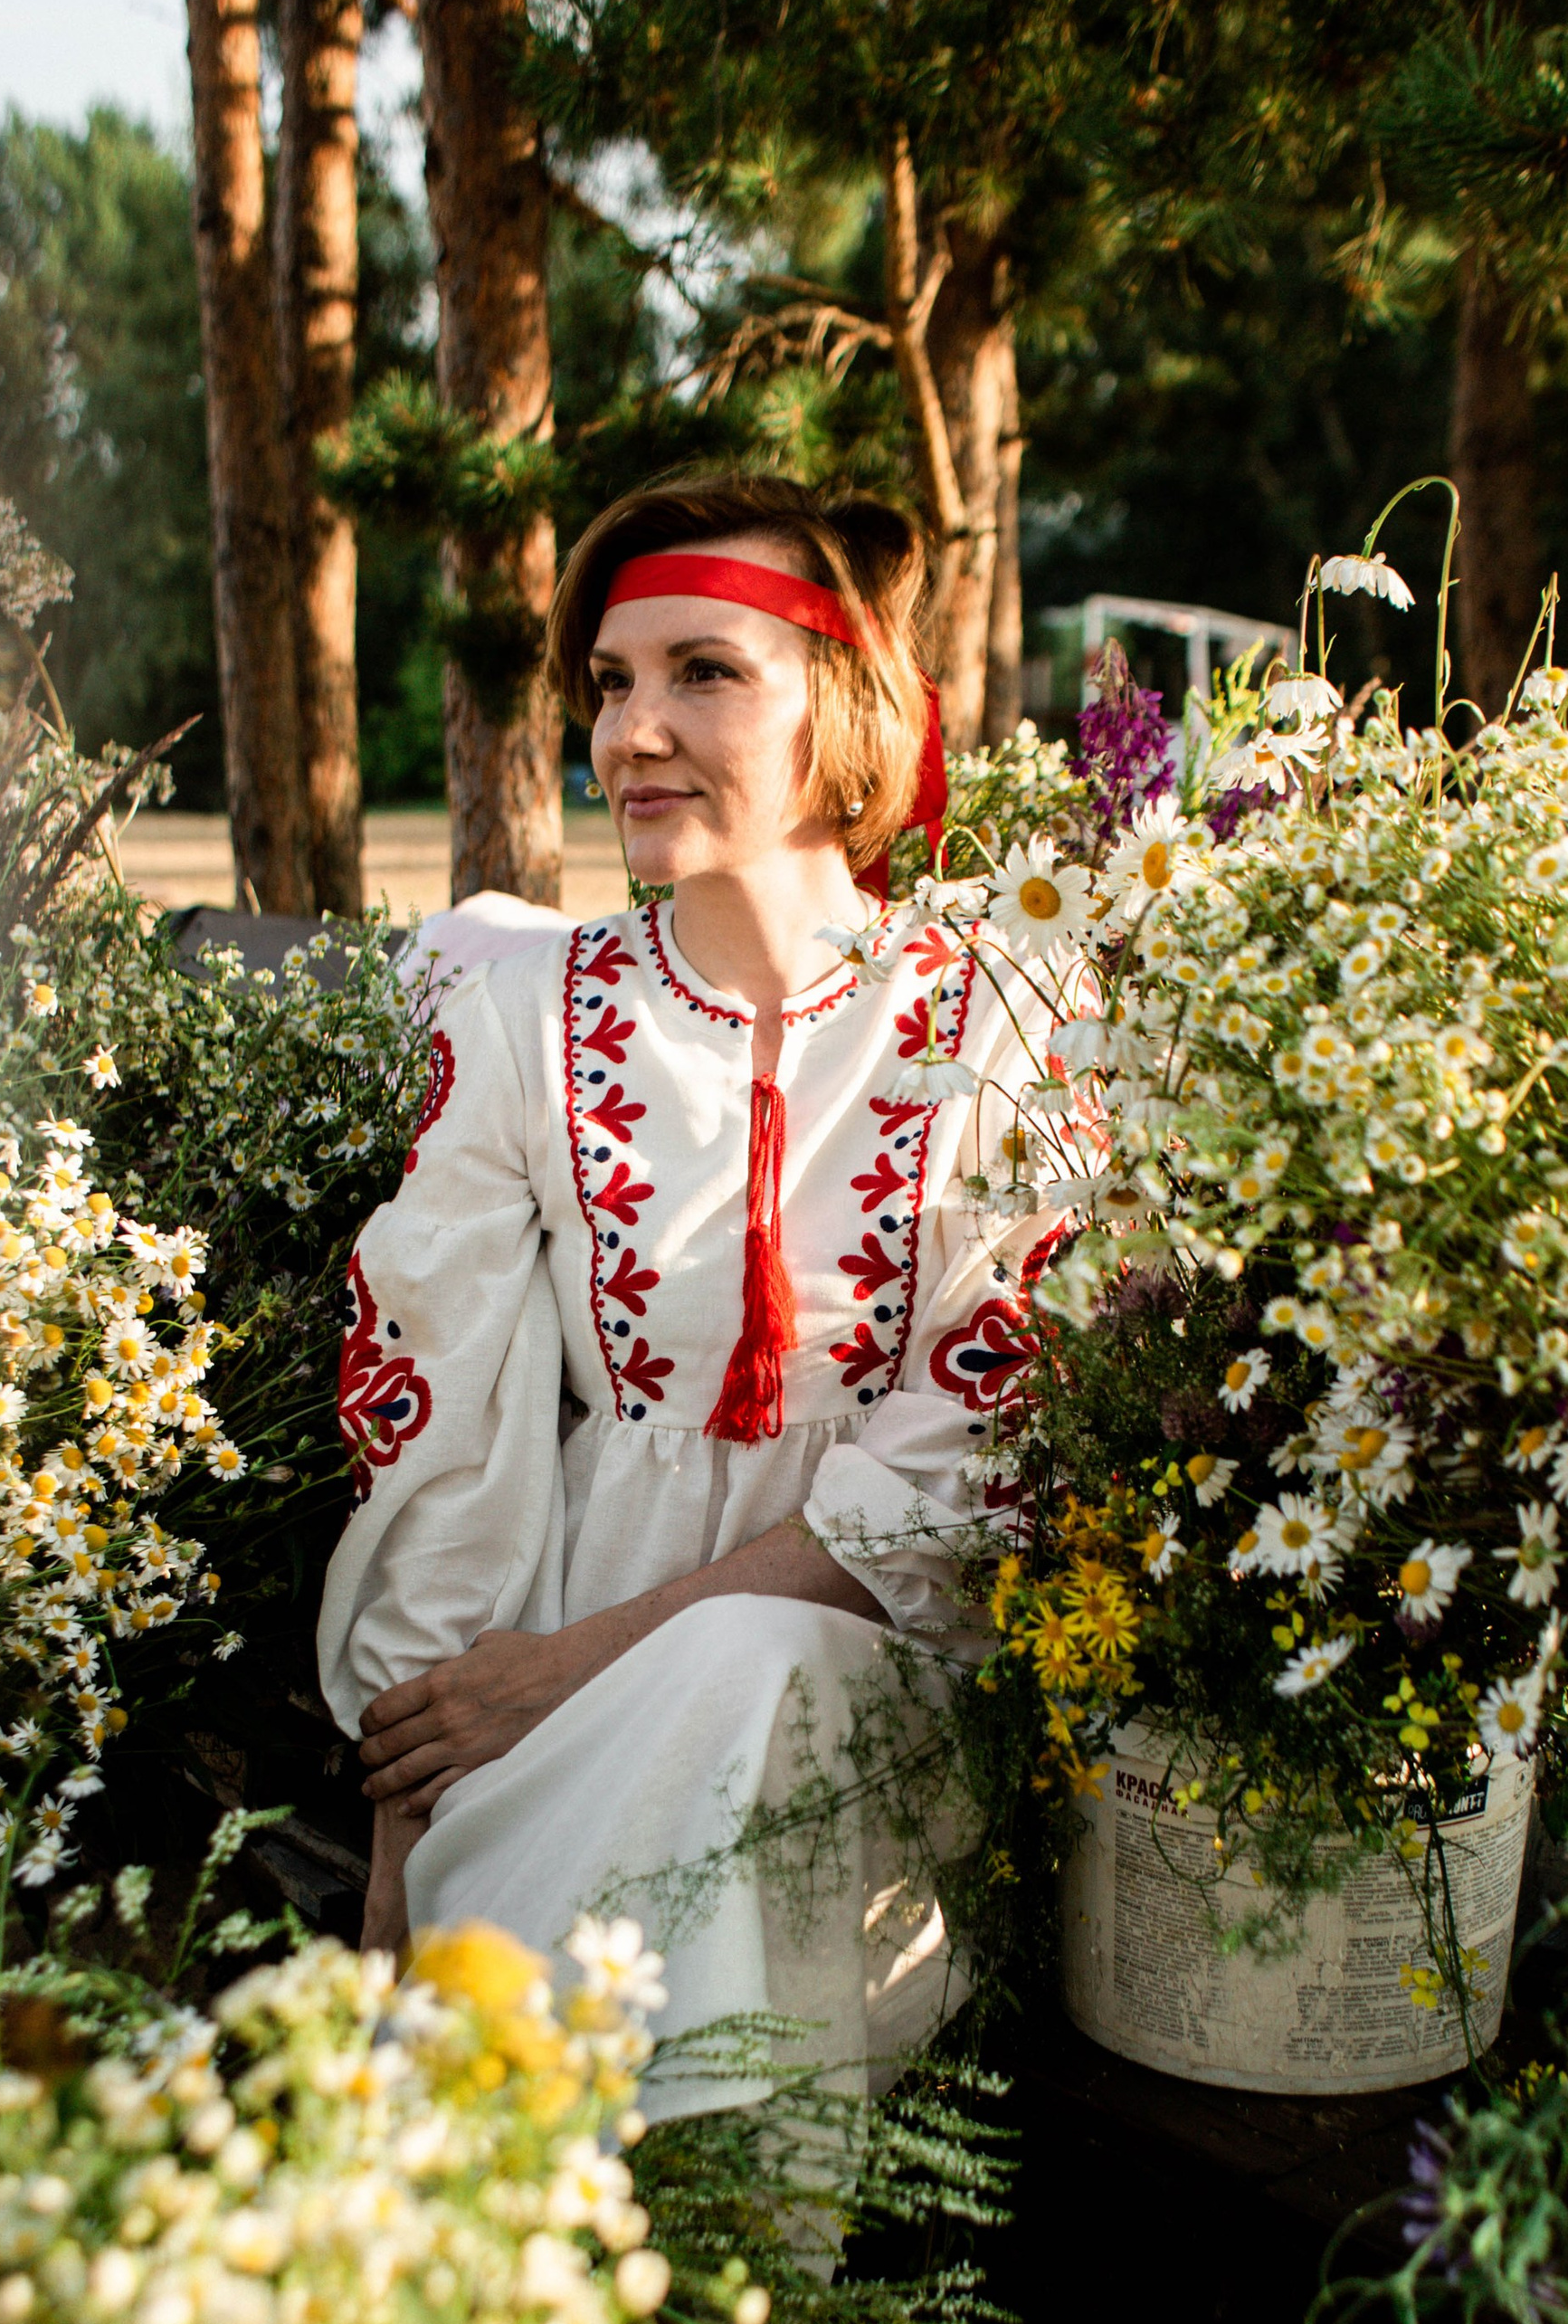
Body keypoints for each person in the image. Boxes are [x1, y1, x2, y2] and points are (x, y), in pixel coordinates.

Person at [317, 472, 1061, 2119]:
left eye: (702, 672)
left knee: (746, 1672)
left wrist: (583, 1665)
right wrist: (406, 1818)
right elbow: (448, 1434)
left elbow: (954, 1476)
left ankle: (543, 2230)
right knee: (707, 1697)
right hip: (556, 1694)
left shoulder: (1003, 1014)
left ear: (845, 703)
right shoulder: (519, 1008)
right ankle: (673, 2302)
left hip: (873, 1700)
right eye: (610, 681)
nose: (633, 730)